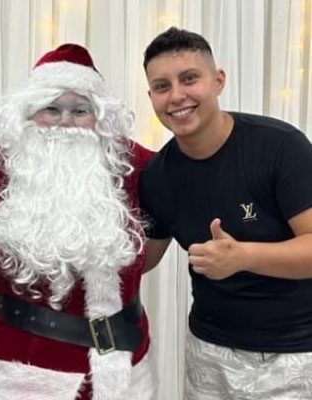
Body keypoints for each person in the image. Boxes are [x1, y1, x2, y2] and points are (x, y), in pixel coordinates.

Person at [0, 43, 157, 400]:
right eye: (51, 108)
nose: (65, 121)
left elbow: (190, 188)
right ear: (29, 113)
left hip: (122, 363)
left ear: (100, 117)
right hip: (17, 366)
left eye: (81, 110)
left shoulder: (134, 164)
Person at [139, 26, 312, 400]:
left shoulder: (280, 146)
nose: (177, 96)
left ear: (218, 81)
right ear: (151, 97)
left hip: (295, 353)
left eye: (189, 79)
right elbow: (143, 259)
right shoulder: (156, 176)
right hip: (208, 351)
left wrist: (243, 256)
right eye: (162, 86)